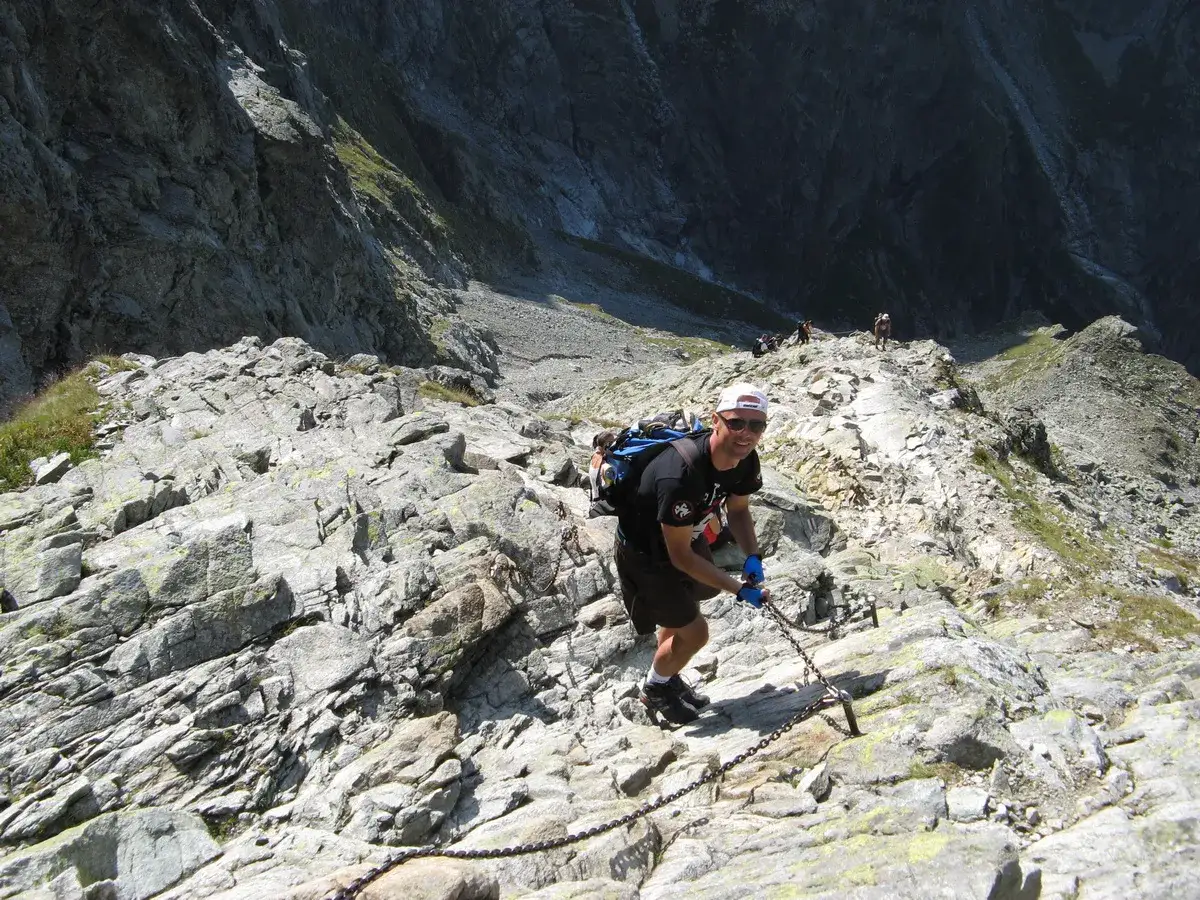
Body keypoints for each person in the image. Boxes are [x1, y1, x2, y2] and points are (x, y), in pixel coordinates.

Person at [615, 382, 771, 724]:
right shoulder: (681, 474)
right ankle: (654, 689)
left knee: (688, 608)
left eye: (756, 425)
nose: (746, 433)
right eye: (736, 423)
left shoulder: (744, 460)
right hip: (646, 553)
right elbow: (681, 558)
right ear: (716, 421)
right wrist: (739, 589)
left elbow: (739, 509)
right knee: (695, 632)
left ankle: (667, 676)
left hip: (686, 536)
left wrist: (752, 557)